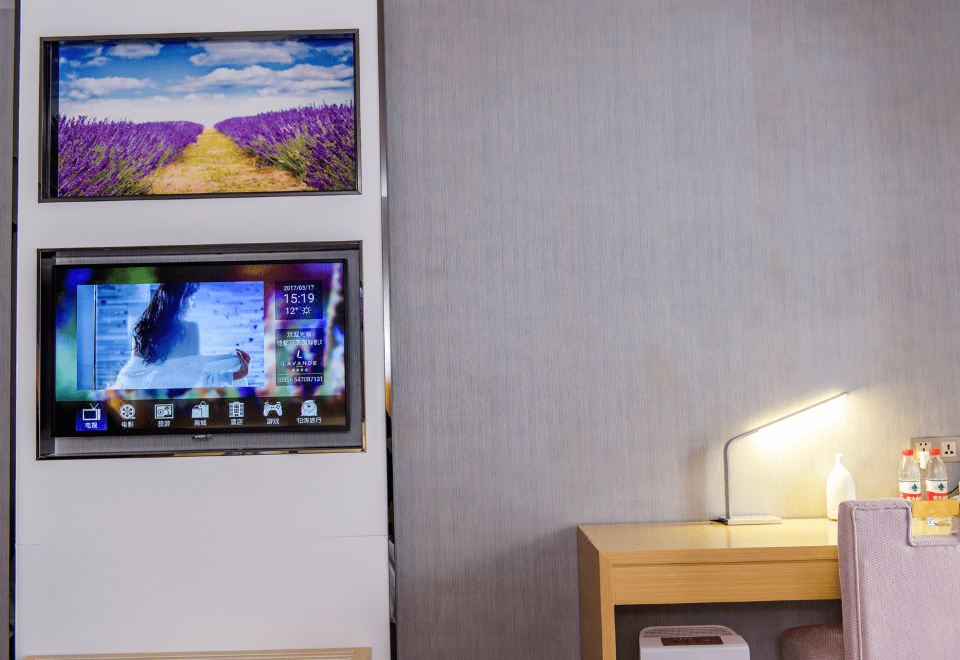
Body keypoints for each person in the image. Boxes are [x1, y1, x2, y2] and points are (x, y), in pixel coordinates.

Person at [111, 283, 251, 389]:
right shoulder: (187, 330)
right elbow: (191, 373)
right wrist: (233, 373)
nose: (193, 303)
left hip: (127, 384)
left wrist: (233, 369)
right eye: (191, 297)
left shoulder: (143, 326)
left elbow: (186, 370)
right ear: (179, 300)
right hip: (139, 386)